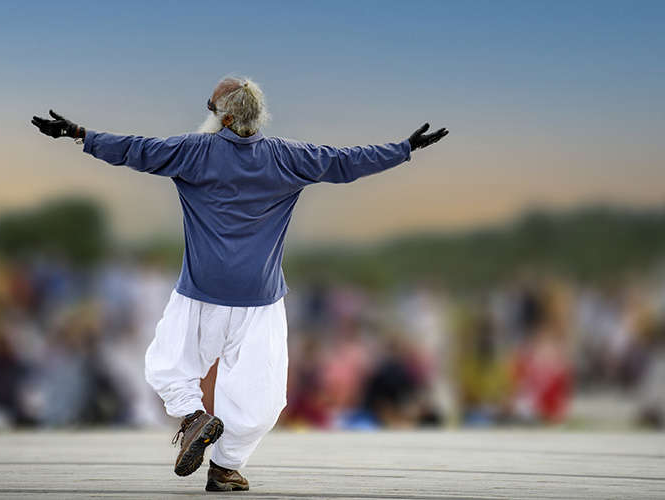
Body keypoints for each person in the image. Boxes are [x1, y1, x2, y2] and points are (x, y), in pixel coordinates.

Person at [31, 75, 448, 492]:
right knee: (259, 396)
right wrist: (405, 149)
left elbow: (134, 150)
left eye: (210, 107)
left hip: (200, 291)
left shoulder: (194, 151)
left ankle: (194, 419)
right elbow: (347, 162)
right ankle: (225, 467)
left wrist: (79, 134)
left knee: (167, 364)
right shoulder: (288, 156)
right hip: (260, 299)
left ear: (226, 117)